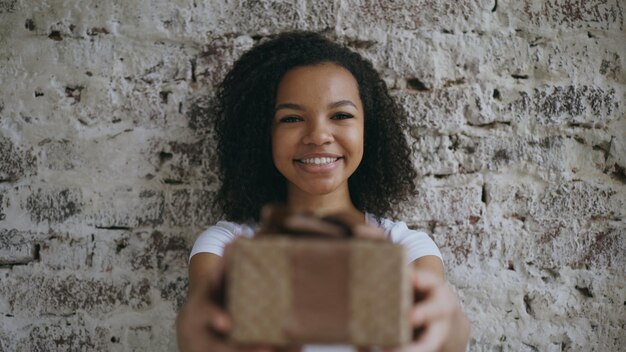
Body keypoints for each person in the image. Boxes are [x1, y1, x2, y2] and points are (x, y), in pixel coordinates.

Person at [176, 31, 470, 352]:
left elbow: (442, 341)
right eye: (291, 118)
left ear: (368, 130)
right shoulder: (220, 249)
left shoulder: (410, 250)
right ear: (262, 135)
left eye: (341, 116)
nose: (318, 135)